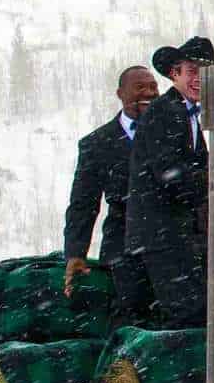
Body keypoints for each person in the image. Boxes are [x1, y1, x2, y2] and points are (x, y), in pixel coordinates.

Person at [124, 37, 214, 329]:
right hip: (163, 235)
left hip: (176, 234)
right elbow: (171, 176)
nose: (199, 78)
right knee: (186, 314)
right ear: (174, 73)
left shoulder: (186, 114)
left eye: (205, 71)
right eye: (192, 70)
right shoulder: (165, 113)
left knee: (193, 311)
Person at [63, 65, 160, 322]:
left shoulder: (174, 133)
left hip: (168, 246)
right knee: (126, 320)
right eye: (140, 87)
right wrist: (75, 253)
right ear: (120, 93)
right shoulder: (97, 144)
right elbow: (83, 204)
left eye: (153, 87)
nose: (149, 93)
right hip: (123, 249)